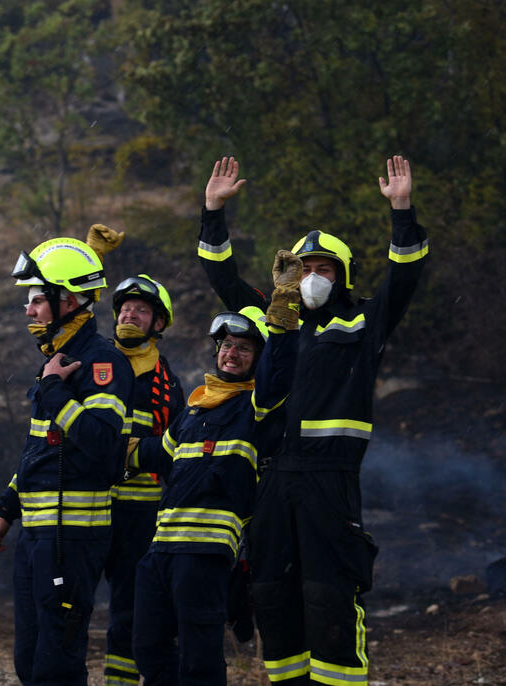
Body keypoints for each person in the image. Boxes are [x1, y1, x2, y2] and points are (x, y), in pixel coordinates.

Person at [200, 155, 428, 684]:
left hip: (330, 482)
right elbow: (221, 275)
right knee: (272, 600)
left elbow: (407, 272)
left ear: (341, 275)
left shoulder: (364, 321)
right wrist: (213, 212)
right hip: (273, 481)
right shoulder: (274, 315)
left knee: (330, 600)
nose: (312, 278)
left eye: (323, 268)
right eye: (304, 269)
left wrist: (401, 210)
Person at [128, 247, 301, 686]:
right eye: (226, 345)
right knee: (146, 647)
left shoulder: (256, 408)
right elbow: (155, 454)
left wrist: (283, 305)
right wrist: (106, 447)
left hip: (206, 554)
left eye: (244, 349)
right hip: (161, 550)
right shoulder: (194, 409)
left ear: (256, 359)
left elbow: (281, 371)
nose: (232, 354)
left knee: (200, 660)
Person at [0, 237, 135, 686]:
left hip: (73, 538)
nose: (28, 311)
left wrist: (54, 392)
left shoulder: (102, 363)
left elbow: (103, 442)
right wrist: (6, 509)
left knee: (57, 664)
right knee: (29, 662)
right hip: (37, 536)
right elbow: (40, 451)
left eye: (35, 300)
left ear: (66, 301)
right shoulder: (58, 363)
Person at [104, 273, 185, 686]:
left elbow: (178, 450)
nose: (130, 315)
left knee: (130, 610)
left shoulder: (170, 385)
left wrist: (134, 453)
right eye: (125, 308)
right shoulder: (92, 361)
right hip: (88, 506)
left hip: (141, 512)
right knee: (68, 602)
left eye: (142, 310)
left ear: (159, 323)